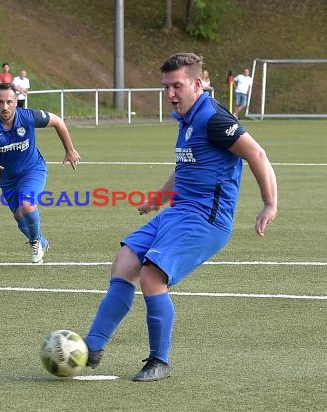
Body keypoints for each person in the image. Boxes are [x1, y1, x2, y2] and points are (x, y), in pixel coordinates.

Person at [83, 53, 277, 381]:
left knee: (150, 277)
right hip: (178, 213)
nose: (171, 93)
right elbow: (187, 165)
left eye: (178, 85)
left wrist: (269, 203)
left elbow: (256, 153)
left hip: (207, 219)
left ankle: (159, 360)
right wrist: (158, 199)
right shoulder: (186, 119)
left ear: (197, 84)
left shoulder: (214, 118)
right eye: (166, 87)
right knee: (124, 263)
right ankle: (92, 346)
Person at [0, 83, 81, 264]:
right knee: (19, 217)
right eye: (1, 102)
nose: (5, 107)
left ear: (16, 102)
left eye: (9, 102)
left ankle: (35, 242)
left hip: (32, 169)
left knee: (26, 204)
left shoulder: (28, 117)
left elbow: (58, 121)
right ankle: (41, 241)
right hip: (7, 179)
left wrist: (70, 149)